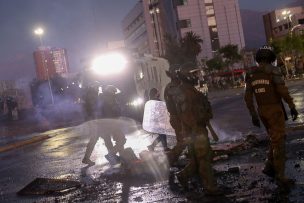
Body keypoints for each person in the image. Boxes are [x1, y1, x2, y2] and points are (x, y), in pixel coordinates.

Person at [244, 45, 299, 191]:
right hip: (274, 110)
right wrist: (292, 106)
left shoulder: (251, 74)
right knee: (279, 141)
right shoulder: (273, 71)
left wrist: (253, 115)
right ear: (271, 59)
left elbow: (248, 98)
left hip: (261, 111)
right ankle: (281, 176)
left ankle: (269, 166)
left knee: (273, 137)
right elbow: (282, 91)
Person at [168, 62, 220, 195]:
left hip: (190, 130)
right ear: (186, 77)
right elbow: (193, 113)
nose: (194, 76)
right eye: (191, 75)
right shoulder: (188, 93)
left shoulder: (182, 91)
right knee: (204, 157)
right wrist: (200, 121)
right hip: (197, 130)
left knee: (197, 158)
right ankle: (210, 187)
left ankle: (183, 175)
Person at [82, 85, 125, 166]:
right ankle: (113, 156)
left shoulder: (102, 98)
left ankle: (87, 158)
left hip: (101, 124)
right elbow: (112, 112)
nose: (115, 94)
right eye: (114, 93)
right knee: (120, 139)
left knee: (102, 141)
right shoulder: (108, 99)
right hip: (107, 124)